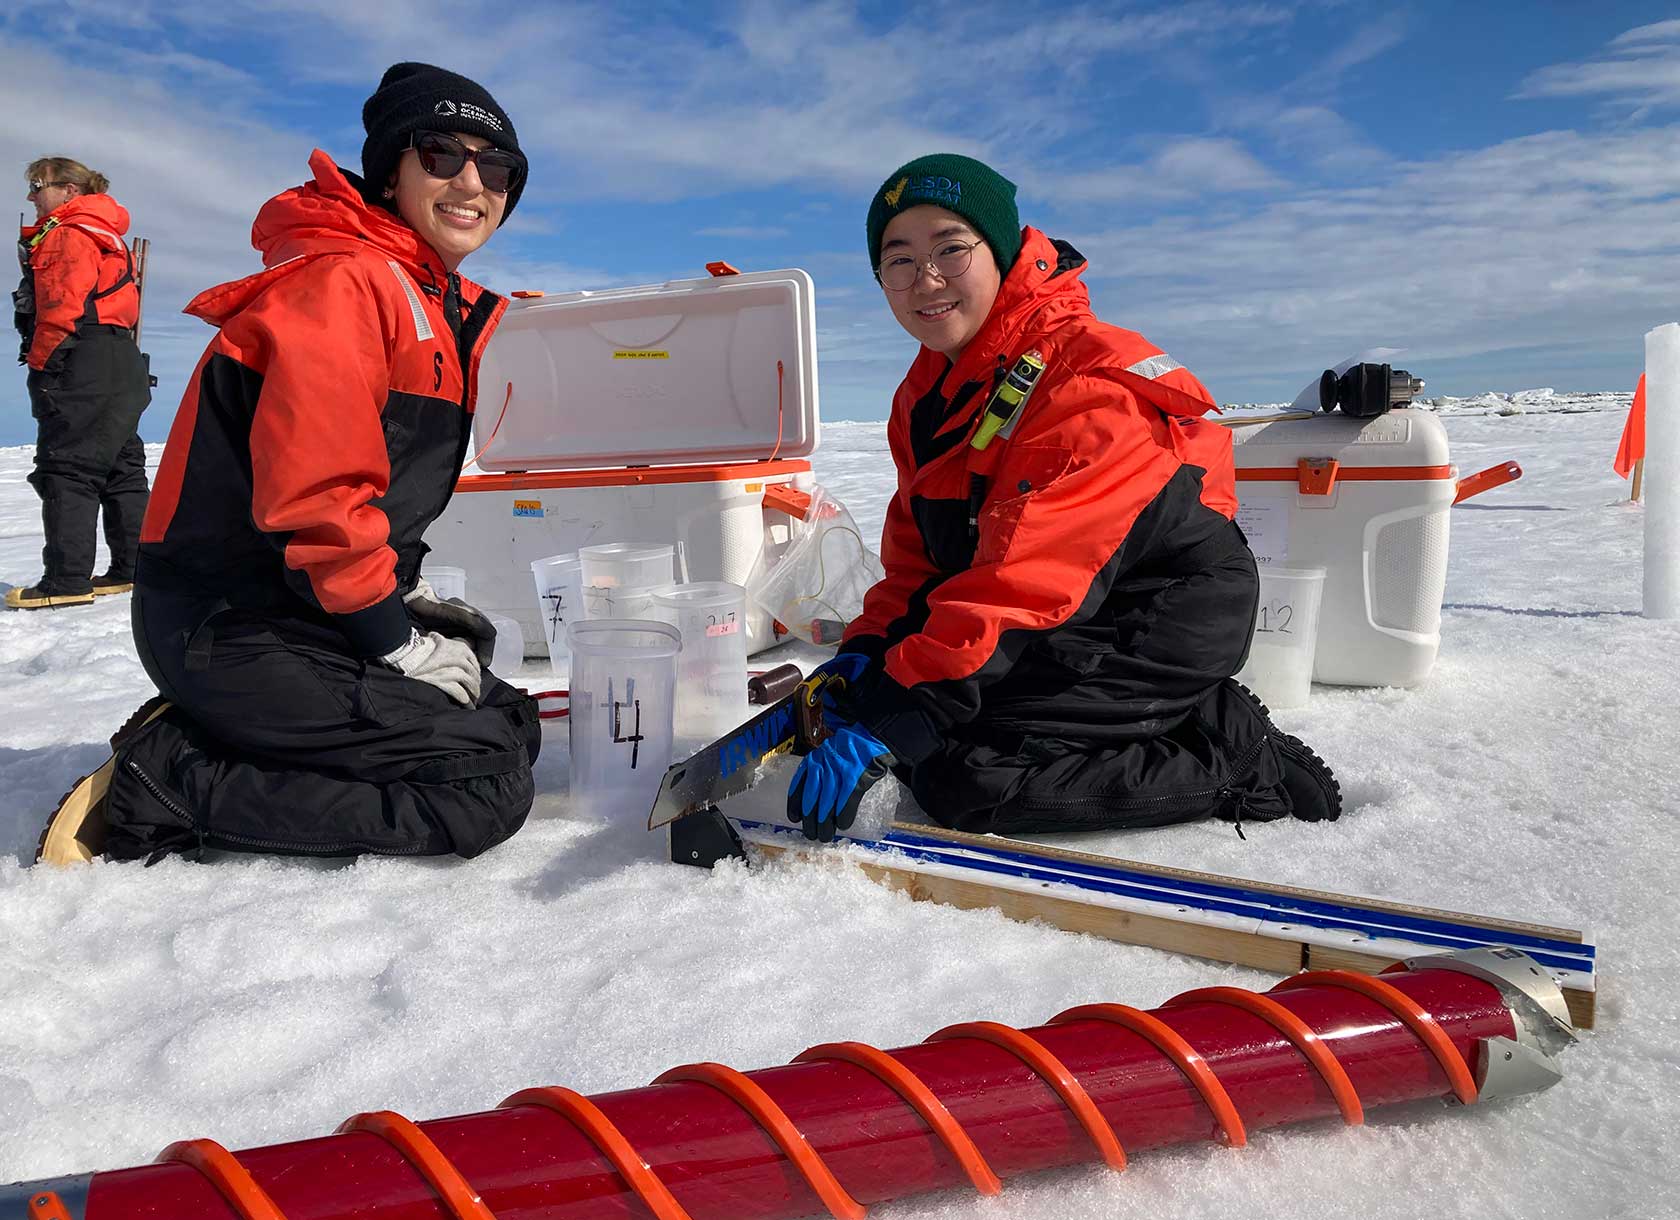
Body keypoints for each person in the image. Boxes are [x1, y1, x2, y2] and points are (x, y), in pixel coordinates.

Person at [37, 63, 542, 865]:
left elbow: (385, 480)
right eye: (443, 155)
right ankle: (167, 782)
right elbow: (320, 497)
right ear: (391, 171)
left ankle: (230, 727)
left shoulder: (425, 300)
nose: (472, 182)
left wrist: (402, 597)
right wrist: (395, 641)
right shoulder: (344, 284)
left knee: (510, 722)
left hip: (303, 611)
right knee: (479, 784)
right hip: (229, 622)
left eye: (499, 166)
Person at [786, 153, 1341, 842]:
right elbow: (920, 558)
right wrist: (871, 651)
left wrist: (910, 708)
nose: (924, 279)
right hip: (1062, 606)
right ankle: (1167, 715)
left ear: (1005, 250)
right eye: (897, 260)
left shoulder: (1082, 383)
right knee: (914, 714)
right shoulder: (929, 391)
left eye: (950, 249)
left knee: (967, 778)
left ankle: (1238, 760)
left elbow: (1025, 582)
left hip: (1156, 615)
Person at [9, 158, 151, 610]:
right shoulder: (107, 234)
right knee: (120, 467)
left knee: (67, 466)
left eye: (37, 186)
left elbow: (59, 308)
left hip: (80, 356)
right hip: (120, 358)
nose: (31, 196)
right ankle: (134, 569)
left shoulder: (67, 234)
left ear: (69, 190)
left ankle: (65, 581)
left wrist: (41, 368)